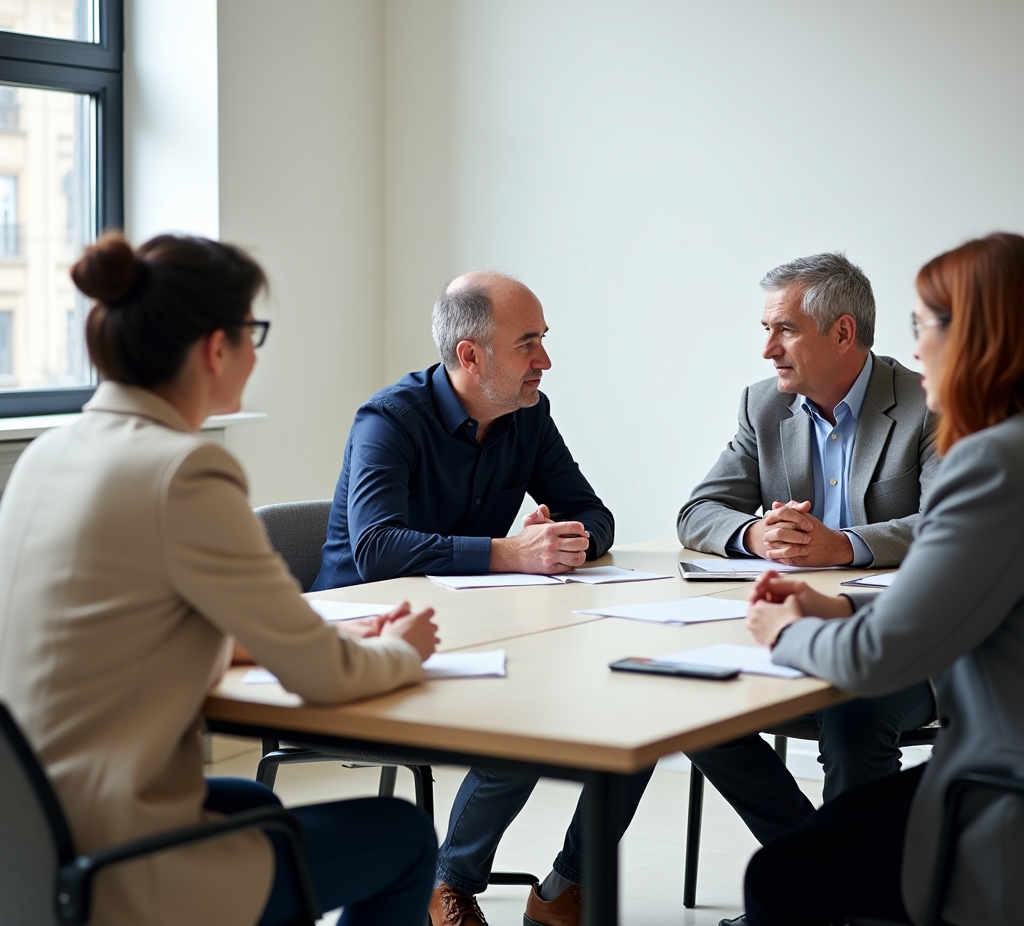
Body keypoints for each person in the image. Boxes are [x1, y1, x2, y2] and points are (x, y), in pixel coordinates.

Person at [0, 232, 440, 926]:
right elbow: (323, 676)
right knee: (405, 836)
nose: (256, 354)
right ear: (215, 348)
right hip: (117, 861)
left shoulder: (48, 455)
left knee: (257, 804)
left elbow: (119, 632)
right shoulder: (183, 471)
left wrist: (286, 641)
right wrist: (400, 650)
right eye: (252, 334)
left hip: (29, 836)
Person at [313, 271, 649, 926]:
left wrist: (566, 540)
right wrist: (510, 552)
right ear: (470, 355)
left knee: (640, 709)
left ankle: (566, 887)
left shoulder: (529, 416)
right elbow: (376, 549)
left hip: (480, 626)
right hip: (373, 639)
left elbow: (594, 514)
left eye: (543, 339)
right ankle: (449, 884)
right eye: (528, 344)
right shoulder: (390, 419)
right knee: (527, 719)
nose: (545, 360)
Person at [742, 231, 1024, 926]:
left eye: (922, 326)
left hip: (997, 793)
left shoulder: (991, 461)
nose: (915, 349)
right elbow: (971, 598)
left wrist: (784, 630)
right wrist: (839, 611)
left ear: (980, 336)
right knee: (816, 852)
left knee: (782, 877)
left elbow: (879, 659)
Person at [676, 253, 938, 925]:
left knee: (854, 716)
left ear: (843, 332)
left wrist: (843, 544)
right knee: (689, 701)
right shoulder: (765, 406)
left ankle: (837, 897)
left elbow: (949, 527)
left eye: (784, 330)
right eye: (766, 330)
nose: (767, 349)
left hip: (910, 641)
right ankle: (826, 889)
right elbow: (698, 512)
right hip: (795, 632)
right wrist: (755, 536)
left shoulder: (927, 403)